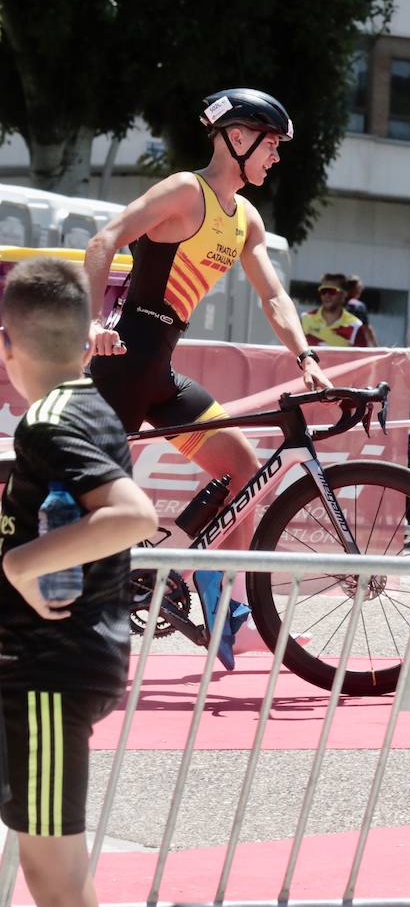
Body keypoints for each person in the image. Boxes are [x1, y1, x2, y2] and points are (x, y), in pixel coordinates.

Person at [82, 88, 332, 669]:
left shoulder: (245, 218)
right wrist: (94, 323)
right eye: (271, 144)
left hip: (158, 372)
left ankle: (228, 607)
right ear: (237, 138)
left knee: (244, 468)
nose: (277, 157)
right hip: (121, 362)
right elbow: (103, 242)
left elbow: (273, 295)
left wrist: (305, 357)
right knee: (85, 503)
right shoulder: (181, 191)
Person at [0, 257, 159, 907]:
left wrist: (17, 566)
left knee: (53, 874)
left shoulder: (48, 422)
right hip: (54, 665)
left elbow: (133, 515)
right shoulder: (91, 407)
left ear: (8, 346)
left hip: (46, 671)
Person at [301, 272, 368, 347]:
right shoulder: (304, 318)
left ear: (344, 294)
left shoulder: (355, 326)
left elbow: (363, 358)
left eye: (331, 291)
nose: (326, 295)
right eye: (323, 291)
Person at [343, 274, 379, 347]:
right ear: (356, 289)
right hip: (357, 347)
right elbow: (367, 328)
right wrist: (376, 347)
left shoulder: (338, 305)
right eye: (360, 287)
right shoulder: (358, 306)